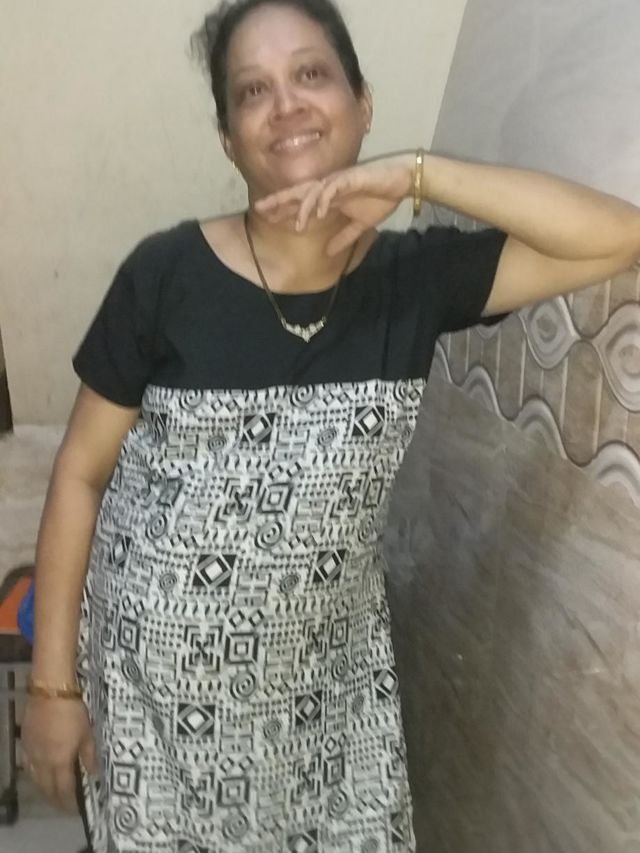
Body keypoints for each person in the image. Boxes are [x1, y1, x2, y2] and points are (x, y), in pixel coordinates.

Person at [20, 0, 640, 851]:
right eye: (252, 91)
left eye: (311, 74)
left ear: (362, 103)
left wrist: (418, 174)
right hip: (147, 705)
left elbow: (618, 237)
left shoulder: (415, 282)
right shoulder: (165, 275)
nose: (286, 106)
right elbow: (80, 474)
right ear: (228, 139)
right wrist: (52, 688)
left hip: (324, 703)